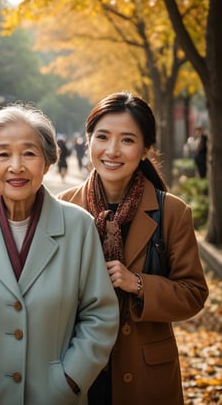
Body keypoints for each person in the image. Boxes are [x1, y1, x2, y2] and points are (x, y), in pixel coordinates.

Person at [0, 102, 119, 405]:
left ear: (48, 162)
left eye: (29, 153)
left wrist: (70, 379)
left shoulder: (79, 227)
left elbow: (100, 314)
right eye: (3, 154)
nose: (17, 166)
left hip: (56, 398)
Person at [58, 91, 209, 405]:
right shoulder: (63, 208)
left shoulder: (171, 211)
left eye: (127, 140)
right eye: (102, 137)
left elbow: (194, 293)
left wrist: (137, 284)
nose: (112, 150)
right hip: (74, 369)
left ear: (145, 150)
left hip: (145, 374)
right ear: (88, 142)